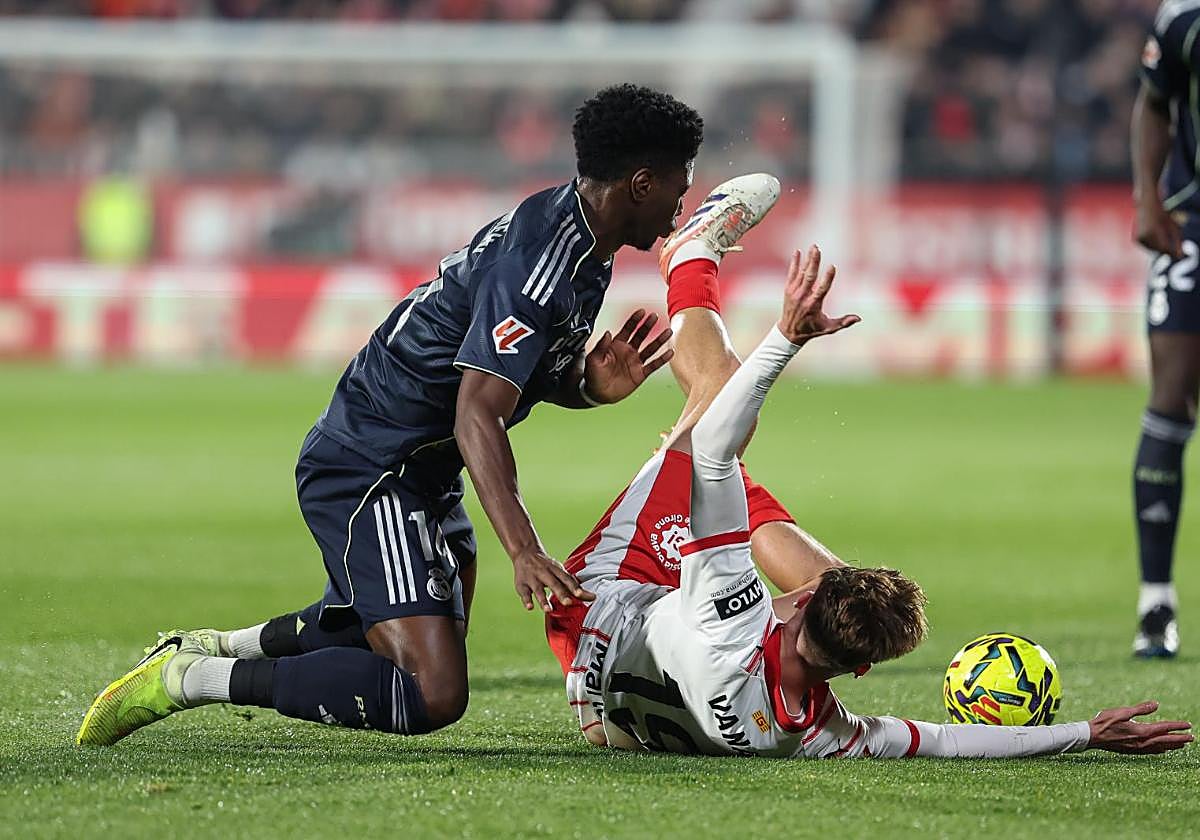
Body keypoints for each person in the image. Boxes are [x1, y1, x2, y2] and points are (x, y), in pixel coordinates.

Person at [76, 83, 698, 746]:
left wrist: (586, 385)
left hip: (420, 469)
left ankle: (221, 646)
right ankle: (188, 679)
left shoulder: (585, 249)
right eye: (678, 188)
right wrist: (524, 548)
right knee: (431, 690)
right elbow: (477, 411)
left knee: (390, 626)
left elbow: (518, 376)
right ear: (640, 183)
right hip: (369, 464)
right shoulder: (539, 261)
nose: (681, 206)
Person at [547, 179, 1194, 759]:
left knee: (718, 400)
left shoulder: (730, 610)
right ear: (859, 671)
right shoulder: (817, 736)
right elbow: (943, 740)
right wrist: (1085, 733)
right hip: (606, 709)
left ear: (798, 606)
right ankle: (719, 511)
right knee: (757, 520)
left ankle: (690, 257)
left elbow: (714, 448)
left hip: (599, 601)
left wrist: (786, 338)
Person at [1129, 2, 1200, 658]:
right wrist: (1147, 197)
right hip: (1192, 221)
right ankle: (1156, 604)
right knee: (1172, 392)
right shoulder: (1184, 17)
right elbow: (1155, 102)